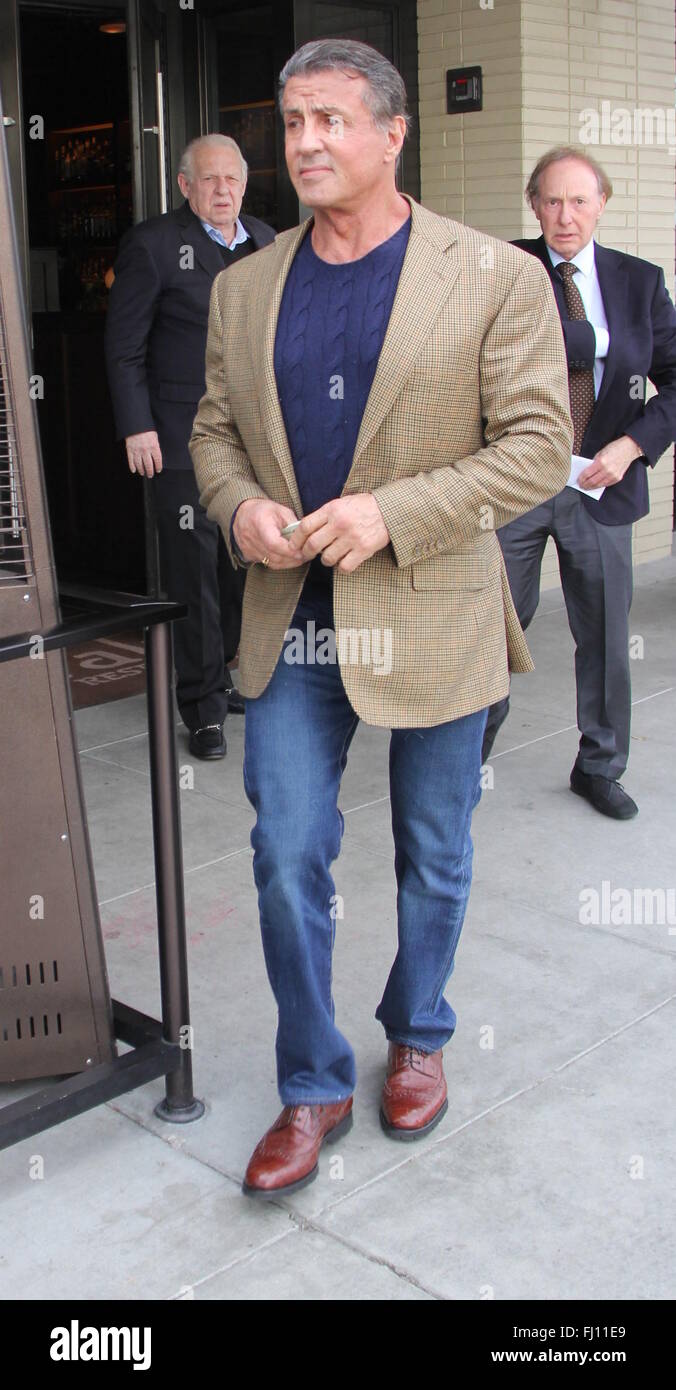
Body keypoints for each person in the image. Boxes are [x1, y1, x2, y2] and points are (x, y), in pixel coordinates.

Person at [190, 39, 572, 1198]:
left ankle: (418, 1030)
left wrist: (393, 512)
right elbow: (210, 429)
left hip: (435, 607)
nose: (302, 142)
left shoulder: (492, 275)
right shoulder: (243, 284)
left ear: (392, 133)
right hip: (291, 614)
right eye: (290, 121)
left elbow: (538, 446)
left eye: (329, 121)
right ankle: (311, 1082)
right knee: (285, 848)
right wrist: (240, 504)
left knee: (433, 850)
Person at [482, 147, 676, 818]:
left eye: (580, 200)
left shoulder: (640, 283)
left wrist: (632, 445)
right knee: (495, 627)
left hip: (602, 483)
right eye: (553, 201)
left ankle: (599, 765)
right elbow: (506, 348)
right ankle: (462, 756)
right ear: (534, 205)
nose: (565, 215)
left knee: (604, 635)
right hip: (517, 482)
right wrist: (593, 339)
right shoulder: (504, 267)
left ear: (602, 204)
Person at [104, 135, 275, 759]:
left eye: (233, 178)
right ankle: (202, 708)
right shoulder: (152, 247)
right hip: (178, 438)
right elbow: (123, 345)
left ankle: (224, 672)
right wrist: (136, 425)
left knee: (243, 565)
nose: (223, 190)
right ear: (185, 186)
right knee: (194, 573)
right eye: (209, 180)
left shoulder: (266, 239)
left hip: (254, 440)